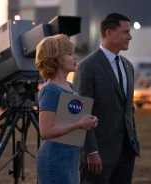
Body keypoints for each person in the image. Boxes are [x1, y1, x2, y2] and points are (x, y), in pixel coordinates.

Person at [73, 13, 141, 184]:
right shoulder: (87, 67)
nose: (130, 37)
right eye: (125, 32)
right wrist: (91, 151)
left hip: (126, 155)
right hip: (98, 157)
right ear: (109, 33)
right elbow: (81, 113)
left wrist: (133, 139)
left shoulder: (128, 66)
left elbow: (128, 109)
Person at [35, 34, 98, 184]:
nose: (75, 57)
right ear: (56, 59)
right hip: (54, 160)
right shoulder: (50, 89)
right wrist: (80, 124)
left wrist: (89, 122)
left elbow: (71, 120)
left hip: (69, 159)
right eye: (69, 54)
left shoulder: (70, 86)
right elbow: (45, 131)